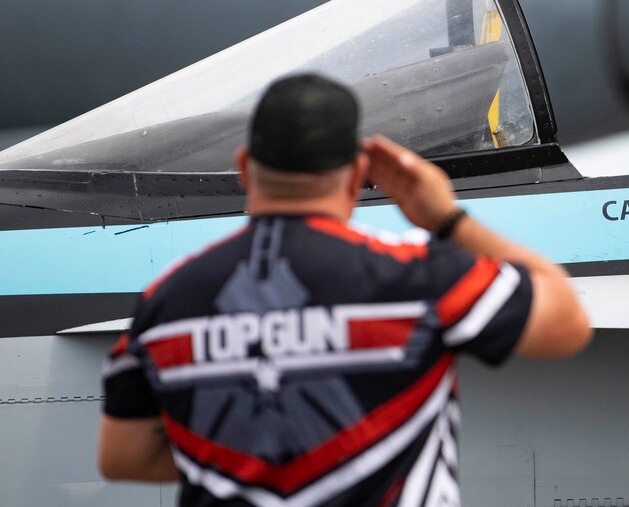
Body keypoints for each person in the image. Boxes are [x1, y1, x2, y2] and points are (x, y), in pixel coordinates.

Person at [97, 73, 593, 506]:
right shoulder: (418, 276)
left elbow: (123, 457)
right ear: (358, 177)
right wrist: (445, 217)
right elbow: (566, 324)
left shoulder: (166, 300)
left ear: (245, 168)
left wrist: (251, 457)